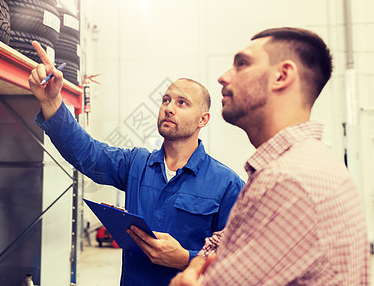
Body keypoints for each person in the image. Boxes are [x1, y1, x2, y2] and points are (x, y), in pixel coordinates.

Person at [28, 41, 244, 285]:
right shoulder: (137, 164)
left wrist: (186, 259)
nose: (169, 108)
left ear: (202, 120)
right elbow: (87, 153)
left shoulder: (227, 184)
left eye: (182, 103)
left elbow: (238, 259)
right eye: (165, 100)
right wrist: (51, 101)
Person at [170, 27, 371, 285]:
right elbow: (227, 238)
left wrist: (185, 279)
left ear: (282, 76)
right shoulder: (295, 164)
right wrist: (198, 262)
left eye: (241, 64)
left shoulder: (289, 182)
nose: (222, 78)